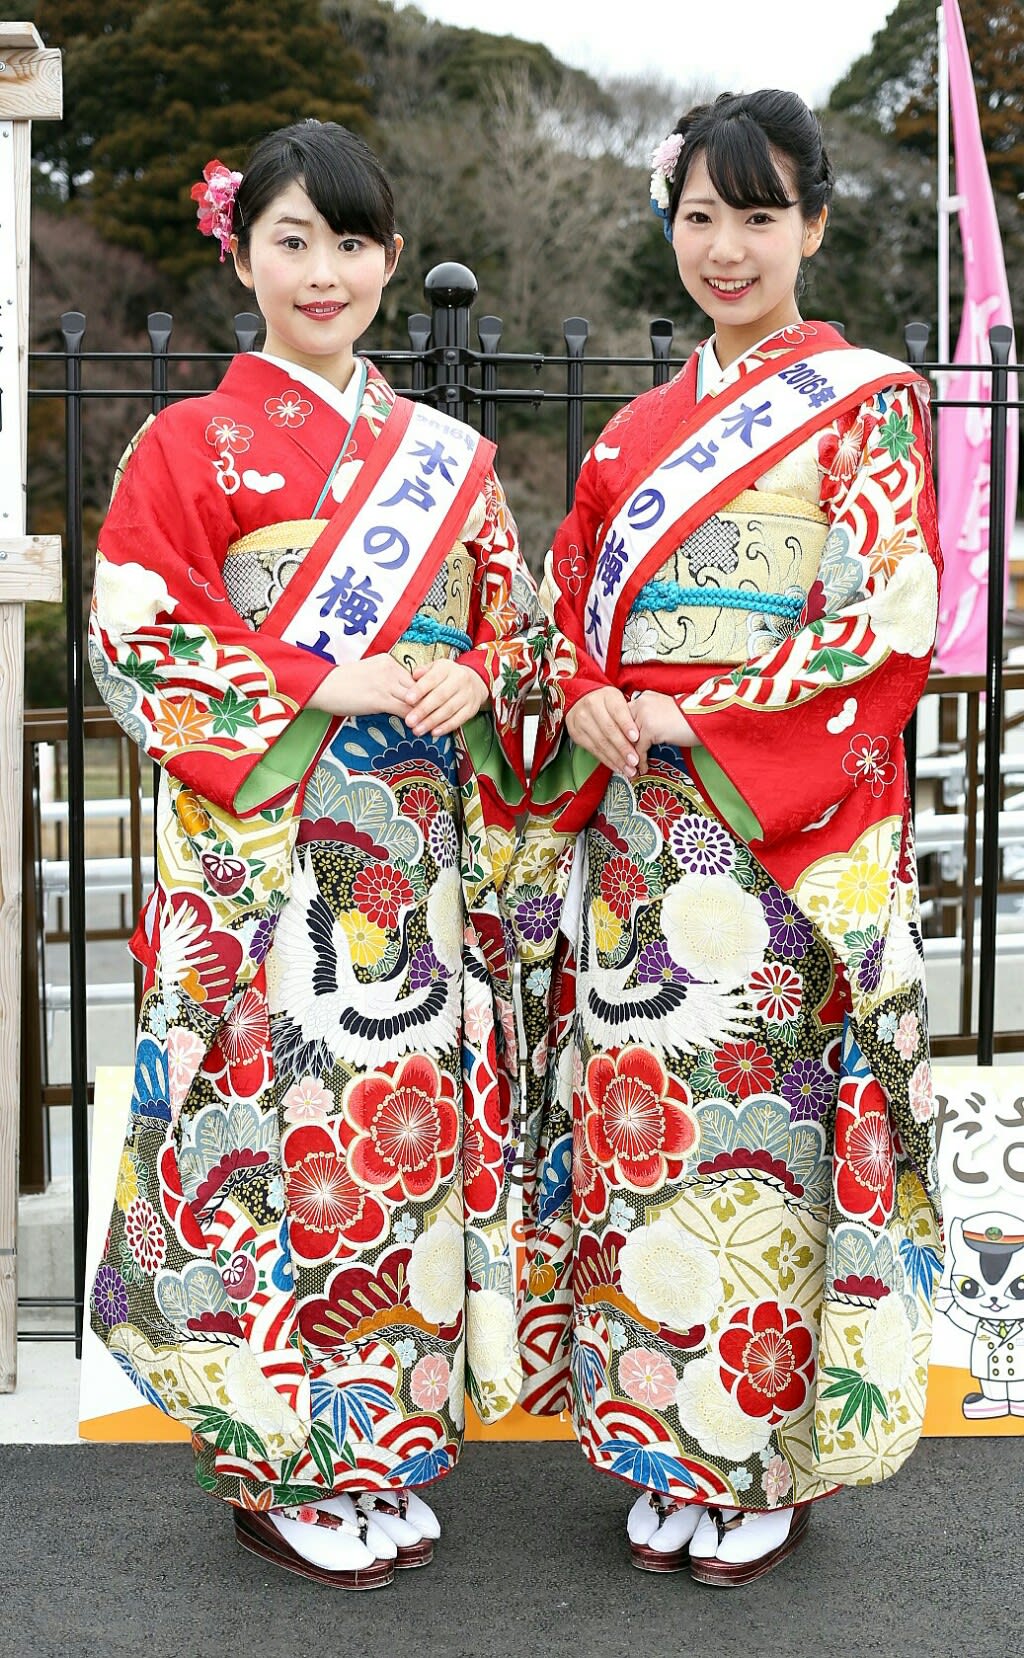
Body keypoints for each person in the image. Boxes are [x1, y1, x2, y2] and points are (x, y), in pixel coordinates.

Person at [88, 119, 543, 1590]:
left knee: (400, 1149)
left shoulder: (449, 462)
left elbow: (517, 630)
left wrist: (483, 674)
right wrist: (316, 675)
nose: (326, 269)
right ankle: (281, 1456)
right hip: (271, 851)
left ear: (391, 259)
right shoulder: (187, 443)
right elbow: (137, 631)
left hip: (413, 853)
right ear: (241, 252)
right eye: (293, 239)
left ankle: (383, 1440)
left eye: (353, 241)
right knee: (278, 1143)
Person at [510, 89, 944, 1588]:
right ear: (670, 223)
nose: (727, 245)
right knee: (648, 1137)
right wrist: (585, 698)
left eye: (759, 215)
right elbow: (567, 619)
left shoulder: (868, 401)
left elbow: (884, 619)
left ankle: (757, 1450)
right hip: (642, 849)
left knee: (764, 1141)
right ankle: (658, 1435)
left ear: (815, 225)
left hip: (778, 843)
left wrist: (692, 715)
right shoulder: (633, 436)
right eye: (701, 213)